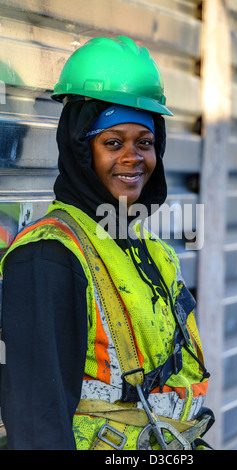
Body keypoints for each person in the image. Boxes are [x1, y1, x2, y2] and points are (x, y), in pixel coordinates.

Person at [0, 36, 213, 450]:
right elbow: (37, 423)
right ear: (81, 149)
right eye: (112, 143)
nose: (133, 157)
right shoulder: (48, 257)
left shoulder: (154, 251)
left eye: (145, 143)